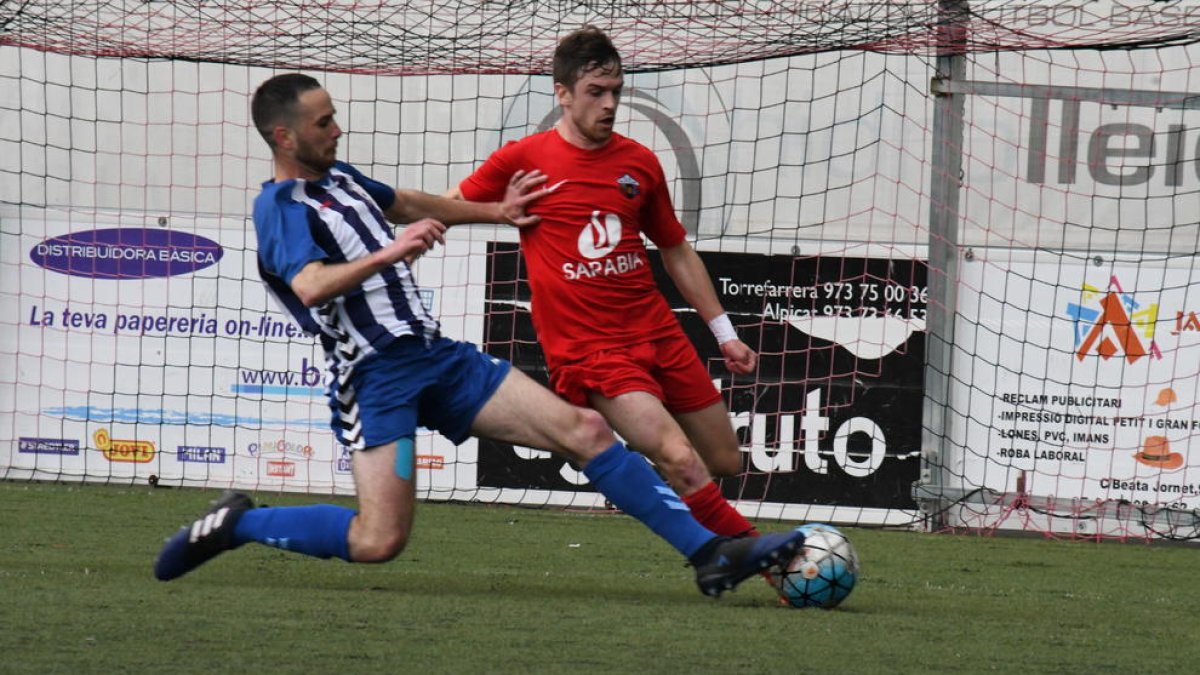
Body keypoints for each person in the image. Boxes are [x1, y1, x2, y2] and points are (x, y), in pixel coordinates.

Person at [153, 72, 804, 598]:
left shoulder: (342, 178)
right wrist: (392, 253)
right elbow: (311, 285)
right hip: (376, 377)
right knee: (379, 539)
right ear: (283, 135)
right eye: (322, 121)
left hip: (439, 358)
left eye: (333, 115)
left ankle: (711, 553)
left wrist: (495, 211)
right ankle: (241, 523)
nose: (336, 127)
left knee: (587, 431)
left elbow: (406, 202)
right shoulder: (279, 206)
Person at [448, 27, 762, 542]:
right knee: (679, 456)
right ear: (563, 93)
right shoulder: (524, 159)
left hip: (655, 329)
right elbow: (448, 205)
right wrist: (422, 227)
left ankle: (653, 474)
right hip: (589, 349)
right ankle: (760, 556)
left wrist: (724, 332)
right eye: (596, 92)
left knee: (721, 458)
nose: (610, 103)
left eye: (615, 91)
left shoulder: (639, 163)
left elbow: (676, 250)